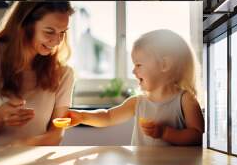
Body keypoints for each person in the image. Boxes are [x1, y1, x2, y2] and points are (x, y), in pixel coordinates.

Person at [68, 29, 204, 146]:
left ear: (164, 64)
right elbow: (108, 117)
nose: (133, 71)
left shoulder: (186, 100)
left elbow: (197, 136)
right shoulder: (137, 102)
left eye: (138, 65)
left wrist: (165, 133)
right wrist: (82, 117)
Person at [0, 1, 75, 146]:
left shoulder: (64, 73)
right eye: (49, 31)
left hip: (32, 162)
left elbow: (56, 133)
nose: (57, 41)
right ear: (25, 25)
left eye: (62, 32)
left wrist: (22, 147)